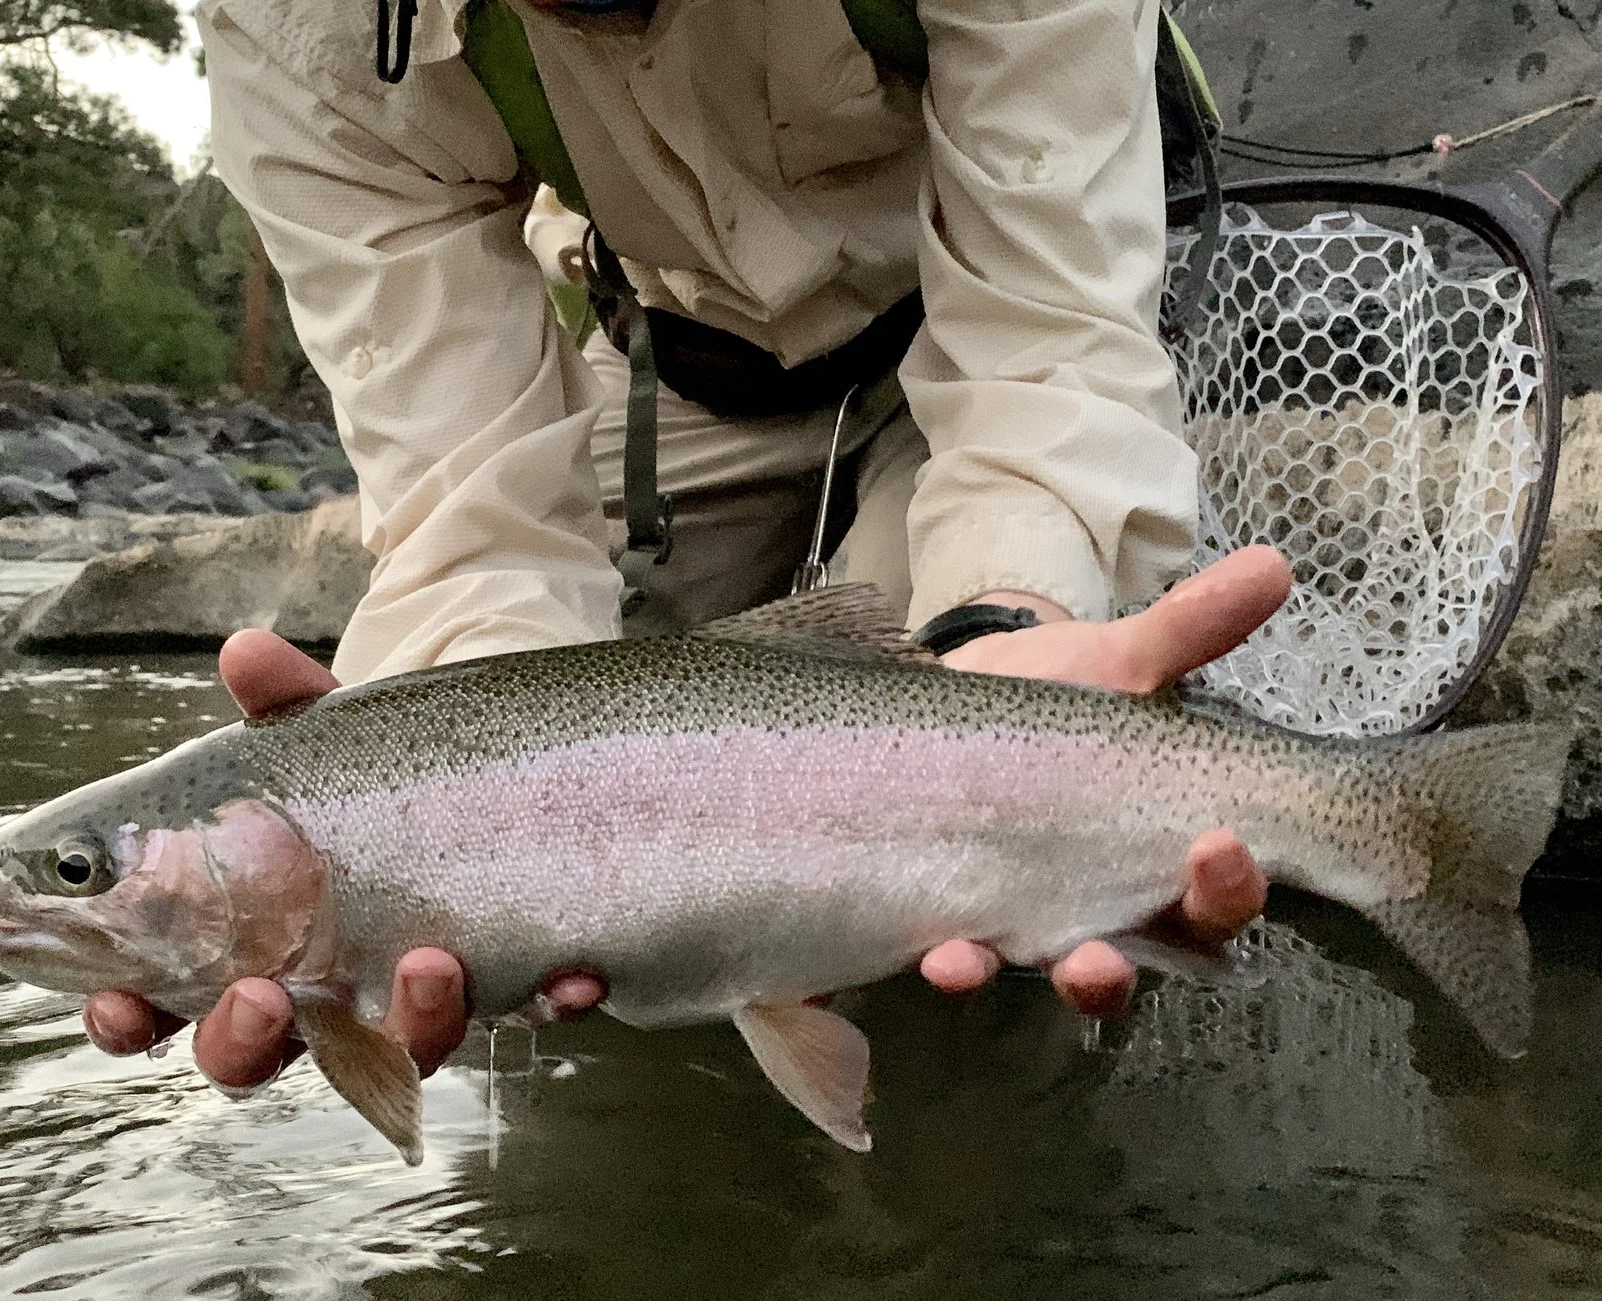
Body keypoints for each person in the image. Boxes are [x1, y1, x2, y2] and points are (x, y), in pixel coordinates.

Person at [81, 0, 1292, 1092]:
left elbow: (1045, 348)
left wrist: (1002, 623)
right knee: (559, 1019)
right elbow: (472, 505)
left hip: (997, 314)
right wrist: (435, 805)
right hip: (684, 360)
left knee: (975, 916)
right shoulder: (298, 24)